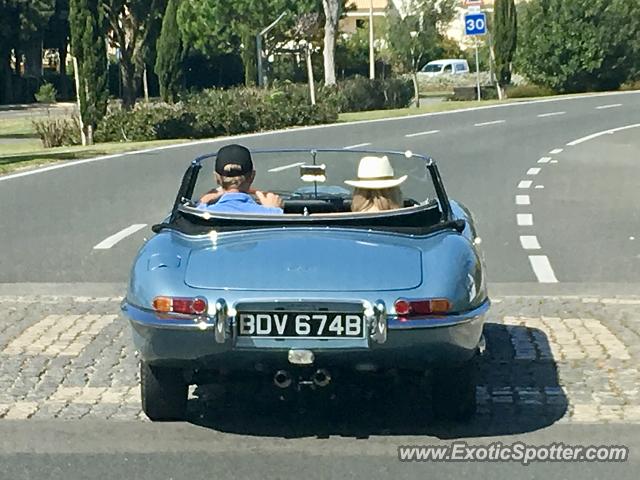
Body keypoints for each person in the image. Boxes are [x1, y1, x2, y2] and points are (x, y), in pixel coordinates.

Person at [197, 144, 284, 214]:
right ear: (252, 176)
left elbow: (197, 210)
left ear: (216, 178)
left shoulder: (201, 214)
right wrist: (274, 209)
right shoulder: (271, 214)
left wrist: (202, 202)